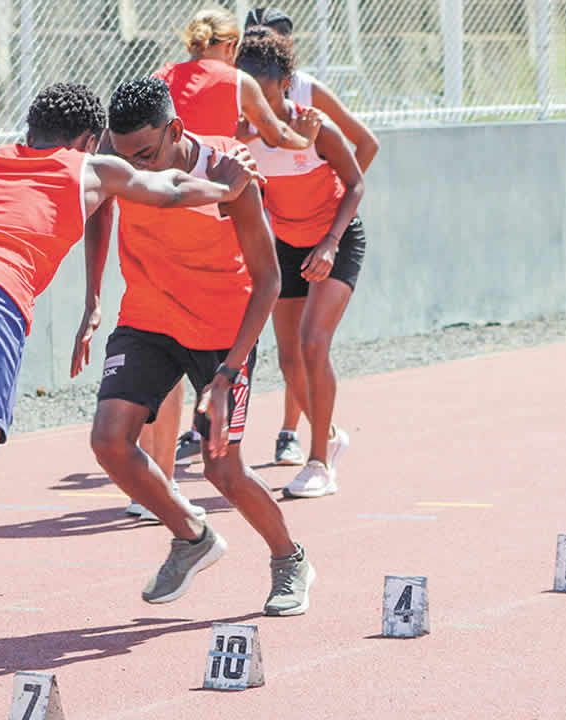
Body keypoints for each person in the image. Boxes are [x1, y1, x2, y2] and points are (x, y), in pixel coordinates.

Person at [0, 82, 262, 680]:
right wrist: (226, 183)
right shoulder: (90, 167)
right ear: (92, 140)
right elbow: (168, 188)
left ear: (29, 130)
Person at [82, 77, 315, 616]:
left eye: (145, 155)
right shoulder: (115, 157)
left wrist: (231, 369)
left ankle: (290, 558)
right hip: (148, 316)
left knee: (221, 468)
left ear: (177, 130)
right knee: (109, 442)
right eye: (125, 156)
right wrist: (93, 298)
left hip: (220, 331)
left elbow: (268, 281)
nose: (135, 169)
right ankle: (192, 535)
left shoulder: (231, 174)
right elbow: (99, 209)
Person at [152, 7, 323, 469]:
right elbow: (277, 133)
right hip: (223, 216)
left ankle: (159, 470)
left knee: (163, 336)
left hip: (165, 215)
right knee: (239, 326)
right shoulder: (236, 82)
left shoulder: (160, 76)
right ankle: (225, 443)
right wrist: (304, 137)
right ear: (230, 48)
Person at [245, 7, 380, 466]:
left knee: (313, 344)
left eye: (262, 96)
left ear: (285, 83)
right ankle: (329, 432)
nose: (254, 109)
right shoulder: (241, 132)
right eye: (247, 97)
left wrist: (330, 238)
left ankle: (319, 462)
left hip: (333, 240)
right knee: (288, 361)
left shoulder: (314, 121)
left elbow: (359, 174)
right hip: (285, 243)